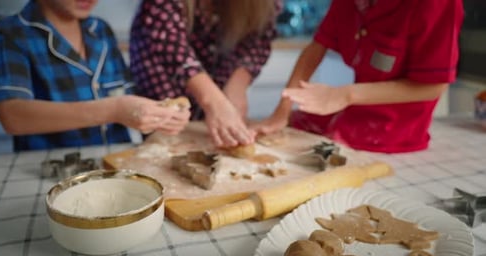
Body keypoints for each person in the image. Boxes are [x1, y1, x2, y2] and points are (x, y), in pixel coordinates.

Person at [253, 0, 464, 153]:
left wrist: (346, 94)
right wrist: (283, 110)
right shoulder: (352, 4)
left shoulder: (438, 4)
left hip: (399, 131)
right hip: (354, 113)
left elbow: (434, 86)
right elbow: (315, 49)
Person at [0, 0, 190, 152]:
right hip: (50, 167)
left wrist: (161, 113)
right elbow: (12, 116)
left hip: (112, 158)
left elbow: (125, 92)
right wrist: (114, 110)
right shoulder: (12, 33)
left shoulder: (100, 29)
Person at [129, 0, 280, 148]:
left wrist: (236, 88)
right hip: (163, 80)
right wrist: (215, 103)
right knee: (165, 148)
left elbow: (257, 39)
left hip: (220, 84)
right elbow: (172, 46)